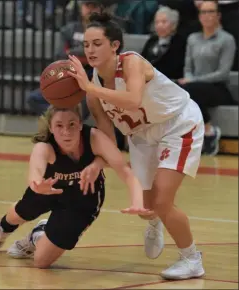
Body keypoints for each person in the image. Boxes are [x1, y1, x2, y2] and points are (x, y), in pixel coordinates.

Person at [67, 12, 205, 280]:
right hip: (141, 136)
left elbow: (132, 99)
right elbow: (107, 137)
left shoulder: (130, 63)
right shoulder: (93, 89)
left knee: (163, 201)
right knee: (146, 209)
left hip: (178, 124)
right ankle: (154, 222)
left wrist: (91, 89)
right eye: (86, 45)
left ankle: (192, 259)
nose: (90, 50)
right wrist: (98, 163)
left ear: (114, 45)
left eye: (97, 43)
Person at [0, 105, 150, 269]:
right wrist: (37, 187)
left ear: (80, 124)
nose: (66, 132)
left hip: (84, 197)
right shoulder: (44, 146)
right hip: (49, 187)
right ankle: (2, 229)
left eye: (72, 124)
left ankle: (37, 235)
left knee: (41, 262)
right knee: (21, 212)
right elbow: (35, 173)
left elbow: (127, 173)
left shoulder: (94, 138)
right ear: (51, 127)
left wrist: (137, 201)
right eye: (59, 125)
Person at [178, 0, 236, 155]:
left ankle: (209, 132)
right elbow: (188, 68)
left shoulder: (227, 39)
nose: (206, 16)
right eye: (203, 12)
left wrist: (194, 80)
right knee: (178, 89)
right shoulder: (192, 39)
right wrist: (190, 79)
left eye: (210, 12)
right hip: (193, 87)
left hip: (217, 88)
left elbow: (223, 73)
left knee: (189, 90)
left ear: (218, 15)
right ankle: (204, 132)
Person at [141, 6, 187, 80]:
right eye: (157, 22)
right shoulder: (152, 40)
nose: (159, 25)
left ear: (173, 25)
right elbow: (142, 59)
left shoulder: (180, 42)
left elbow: (176, 67)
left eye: (164, 22)